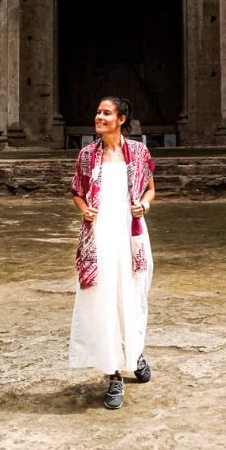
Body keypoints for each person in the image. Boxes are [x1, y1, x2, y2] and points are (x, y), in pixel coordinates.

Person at [69, 96, 156, 410]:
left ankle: (134, 353)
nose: (99, 117)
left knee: (132, 297)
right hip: (99, 236)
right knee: (103, 301)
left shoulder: (138, 152)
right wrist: (86, 210)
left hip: (131, 236)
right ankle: (113, 374)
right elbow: (77, 192)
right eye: (97, 112)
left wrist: (143, 205)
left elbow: (150, 189)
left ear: (121, 119)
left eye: (106, 113)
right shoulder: (86, 156)